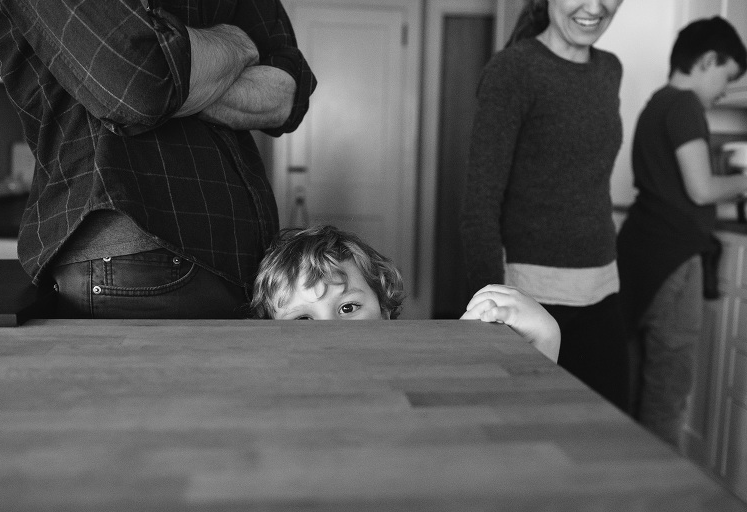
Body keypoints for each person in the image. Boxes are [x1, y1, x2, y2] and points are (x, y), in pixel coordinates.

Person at [0, 1, 316, 318]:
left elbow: (287, 96)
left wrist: (174, 72)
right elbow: (137, 83)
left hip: (250, 264)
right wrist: (239, 43)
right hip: (142, 252)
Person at [459, 0, 628, 409]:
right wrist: (492, 306)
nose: (595, 6)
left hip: (603, 290)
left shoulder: (610, 69)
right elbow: (480, 200)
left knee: (604, 433)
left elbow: (589, 179)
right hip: (532, 297)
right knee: (530, 430)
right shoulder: (513, 70)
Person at [617, 17, 747, 449]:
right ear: (708, 59)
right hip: (674, 260)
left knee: (638, 382)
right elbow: (702, 188)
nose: (724, 91)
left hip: (642, 253)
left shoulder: (657, 103)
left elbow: (676, 189)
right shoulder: (685, 105)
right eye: (726, 78)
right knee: (668, 393)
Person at [251, 225, 561, 362]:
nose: (331, 331)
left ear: (384, 312)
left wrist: (546, 338)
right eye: (303, 319)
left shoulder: (415, 367)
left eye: (348, 308)